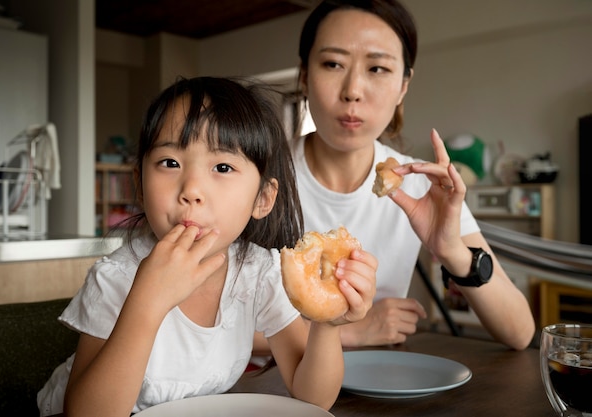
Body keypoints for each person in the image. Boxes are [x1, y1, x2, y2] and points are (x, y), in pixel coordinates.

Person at [36, 76, 377, 416]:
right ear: (139, 184)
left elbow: (313, 397)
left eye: (223, 167)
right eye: (170, 163)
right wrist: (146, 303)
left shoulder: (258, 272)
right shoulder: (117, 277)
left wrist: (327, 325)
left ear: (263, 199)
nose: (192, 189)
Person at [287, 0, 535, 350]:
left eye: (377, 69)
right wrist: (352, 332)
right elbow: (200, 320)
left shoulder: (419, 186)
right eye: (332, 63)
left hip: (383, 391)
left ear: (404, 85)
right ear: (304, 75)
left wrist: (451, 250)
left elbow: (520, 332)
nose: (353, 91)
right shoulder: (255, 177)